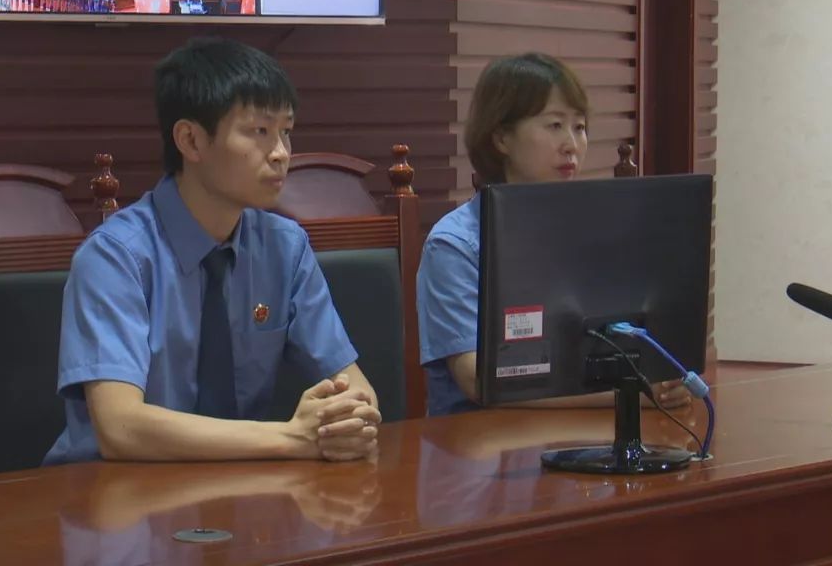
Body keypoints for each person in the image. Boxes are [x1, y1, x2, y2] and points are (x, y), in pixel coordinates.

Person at [43, 38, 381, 465]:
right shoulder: (115, 257)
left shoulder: (285, 247)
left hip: (240, 483)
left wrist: (350, 420)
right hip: (111, 490)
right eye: (259, 132)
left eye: (286, 132)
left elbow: (356, 388)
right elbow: (120, 427)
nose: (281, 154)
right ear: (191, 140)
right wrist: (292, 437)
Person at [416, 53, 693, 416]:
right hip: (480, 439)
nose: (572, 145)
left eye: (580, 127)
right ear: (501, 137)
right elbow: (481, 380)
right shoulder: (455, 245)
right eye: (555, 125)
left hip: (582, 430)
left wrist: (663, 380)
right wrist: (629, 394)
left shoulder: (593, 235)